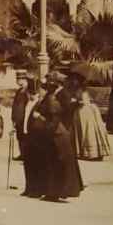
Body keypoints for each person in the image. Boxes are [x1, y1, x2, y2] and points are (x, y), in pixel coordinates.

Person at [39, 74, 83, 202]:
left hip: (58, 133)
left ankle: (57, 193)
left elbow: (55, 119)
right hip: (59, 132)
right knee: (58, 163)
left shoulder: (53, 99)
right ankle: (55, 192)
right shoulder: (52, 97)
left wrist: (42, 121)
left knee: (58, 163)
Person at [20, 77, 48, 197]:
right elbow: (25, 117)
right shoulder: (29, 103)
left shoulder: (40, 104)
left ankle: (37, 190)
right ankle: (29, 188)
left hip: (35, 137)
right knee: (27, 164)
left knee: (35, 164)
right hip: (26, 134)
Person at [72, 90, 112, 161]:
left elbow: (83, 101)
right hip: (89, 109)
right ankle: (95, 152)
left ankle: (91, 153)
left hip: (85, 111)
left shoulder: (81, 92)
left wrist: (75, 101)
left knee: (88, 130)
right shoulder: (84, 92)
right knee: (91, 130)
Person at [10, 70, 30, 160]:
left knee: (25, 137)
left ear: (24, 80)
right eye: (17, 79)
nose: (18, 81)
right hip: (18, 118)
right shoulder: (19, 91)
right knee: (19, 136)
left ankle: (26, 155)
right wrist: (14, 118)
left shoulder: (27, 92)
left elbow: (27, 106)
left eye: (20, 79)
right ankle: (22, 154)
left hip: (24, 118)